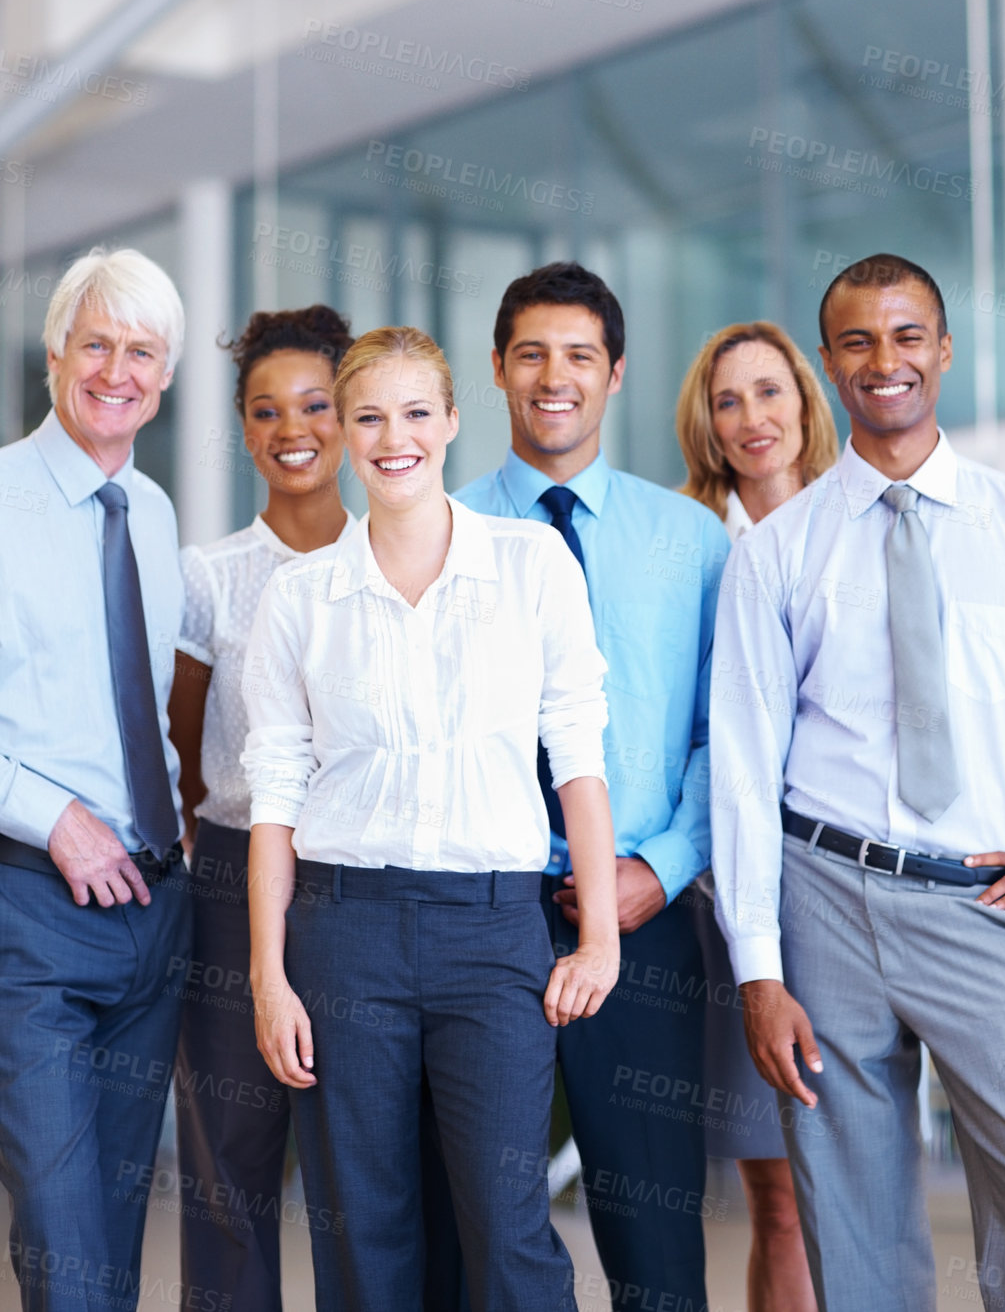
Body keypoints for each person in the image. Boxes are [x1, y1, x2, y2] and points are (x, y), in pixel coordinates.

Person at [710, 253, 1005, 1312]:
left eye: (908, 334)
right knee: (852, 1213)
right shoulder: (778, 553)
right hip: (820, 890)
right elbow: (740, 770)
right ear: (828, 363)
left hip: (979, 896)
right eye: (859, 340)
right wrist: (758, 968)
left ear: (945, 350)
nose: (886, 360)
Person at [242, 325, 620, 1312]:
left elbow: (578, 756)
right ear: (342, 434)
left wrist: (601, 940)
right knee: (362, 1230)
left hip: (490, 934)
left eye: (416, 412)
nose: (393, 437)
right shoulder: (301, 597)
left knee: (508, 1228)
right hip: (341, 932)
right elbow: (275, 797)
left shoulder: (531, 564)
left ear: (453, 421)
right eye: (367, 416)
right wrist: (269, 975)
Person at [454, 262, 730, 1312]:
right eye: (530, 354)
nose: (553, 376)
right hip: (479, 920)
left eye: (578, 355)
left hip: (645, 923)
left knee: (655, 1241)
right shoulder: (443, 530)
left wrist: (658, 869)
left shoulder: (692, 542)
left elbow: (725, 739)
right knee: (482, 1227)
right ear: (497, 371)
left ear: (616, 373)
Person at [0, 247, 191, 1312]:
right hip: (31, 909)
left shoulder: (155, 513)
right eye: (98, 343)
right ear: (55, 354)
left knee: (116, 1234)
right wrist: (48, 813)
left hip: (154, 915)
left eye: (143, 351)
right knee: (67, 1242)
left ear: (163, 379)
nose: (117, 369)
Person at [168, 305, 356, 1312]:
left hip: (362, 883)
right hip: (235, 881)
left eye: (318, 404)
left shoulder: (390, 560)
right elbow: (183, 748)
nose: (295, 428)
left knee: (359, 1168)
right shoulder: (211, 577)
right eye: (268, 409)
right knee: (230, 1164)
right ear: (244, 427)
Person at [676, 321, 836, 1312]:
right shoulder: (693, 547)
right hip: (727, 896)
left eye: (770, 393)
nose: (752, 417)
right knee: (774, 1188)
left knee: (849, 1175)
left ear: (805, 406)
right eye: (729, 401)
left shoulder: (856, 526)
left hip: (844, 881)